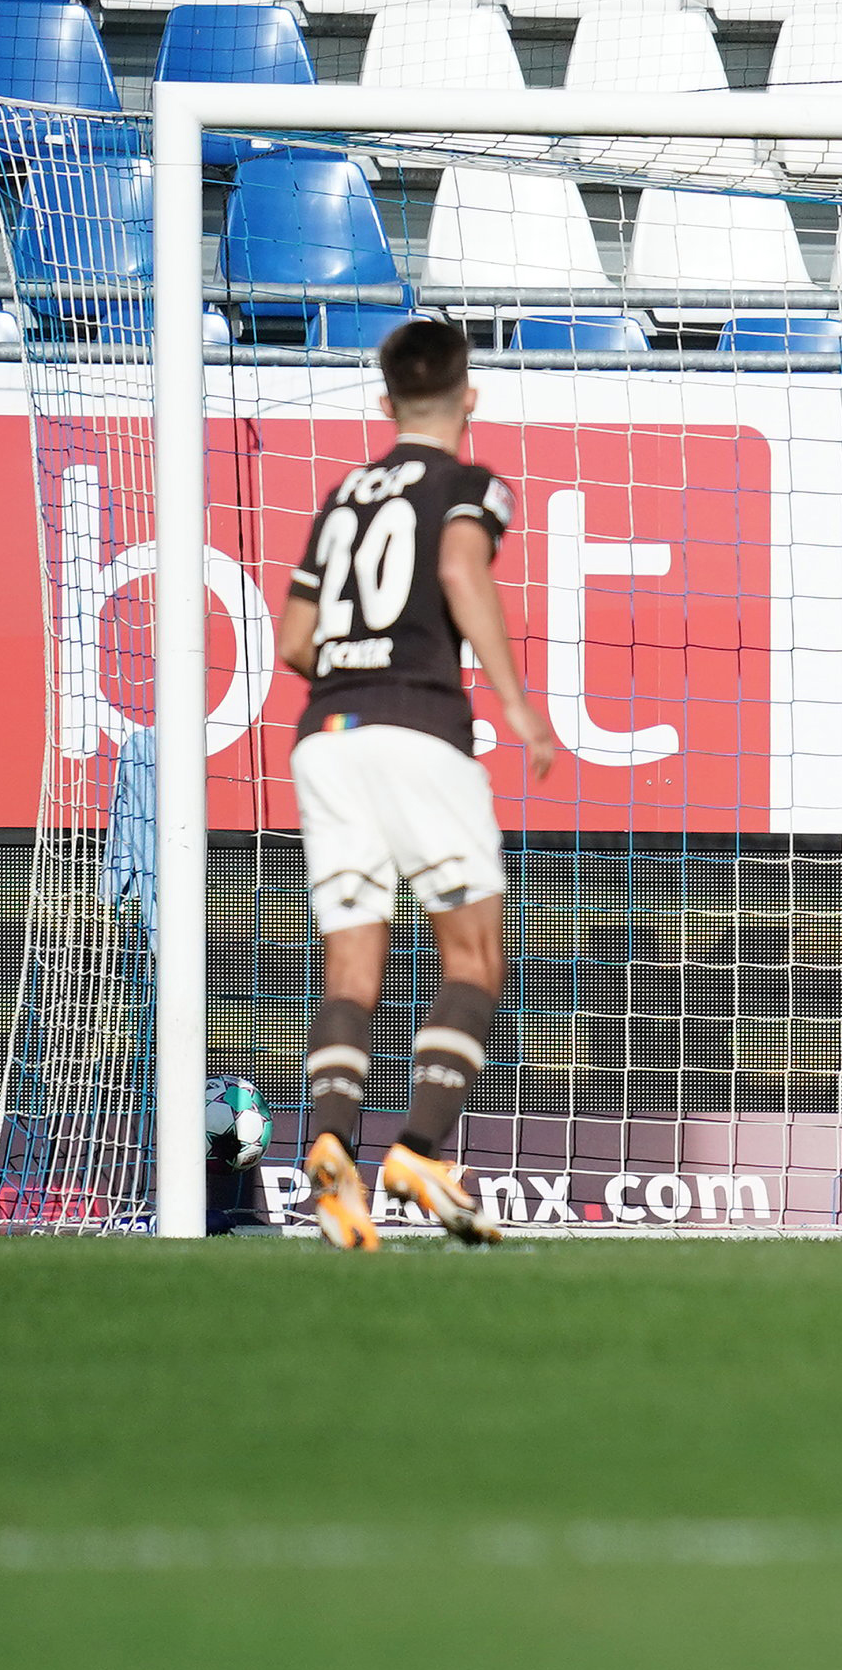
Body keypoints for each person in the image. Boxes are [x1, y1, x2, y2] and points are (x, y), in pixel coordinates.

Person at [273, 318, 562, 1251]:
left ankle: (328, 1147)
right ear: (468, 398)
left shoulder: (343, 495)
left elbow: (291, 640)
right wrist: (516, 706)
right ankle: (421, 1150)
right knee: (472, 962)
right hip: (419, 730)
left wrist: (356, 665)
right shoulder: (472, 486)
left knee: (351, 970)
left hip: (326, 733)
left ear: (385, 402)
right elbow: (455, 566)